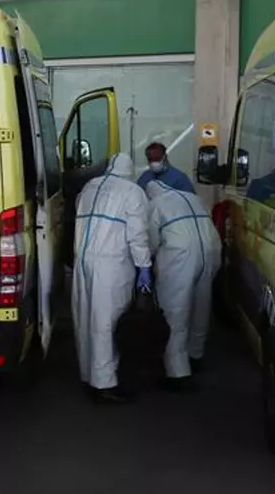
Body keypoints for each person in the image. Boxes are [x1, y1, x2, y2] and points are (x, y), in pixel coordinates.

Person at [72, 152, 154, 403]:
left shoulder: (89, 187)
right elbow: (138, 234)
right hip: (111, 263)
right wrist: (144, 266)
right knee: (106, 322)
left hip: (82, 260)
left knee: (85, 318)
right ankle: (104, 382)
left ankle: (88, 374)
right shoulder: (132, 192)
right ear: (130, 171)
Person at [144, 180, 222, 388]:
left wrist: (146, 261)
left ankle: (177, 373)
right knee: (201, 306)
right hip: (209, 251)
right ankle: (196, 355)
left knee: (175, 312)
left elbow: (151, 241)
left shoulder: (156, 204)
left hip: (180, 256)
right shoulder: (194, 198)